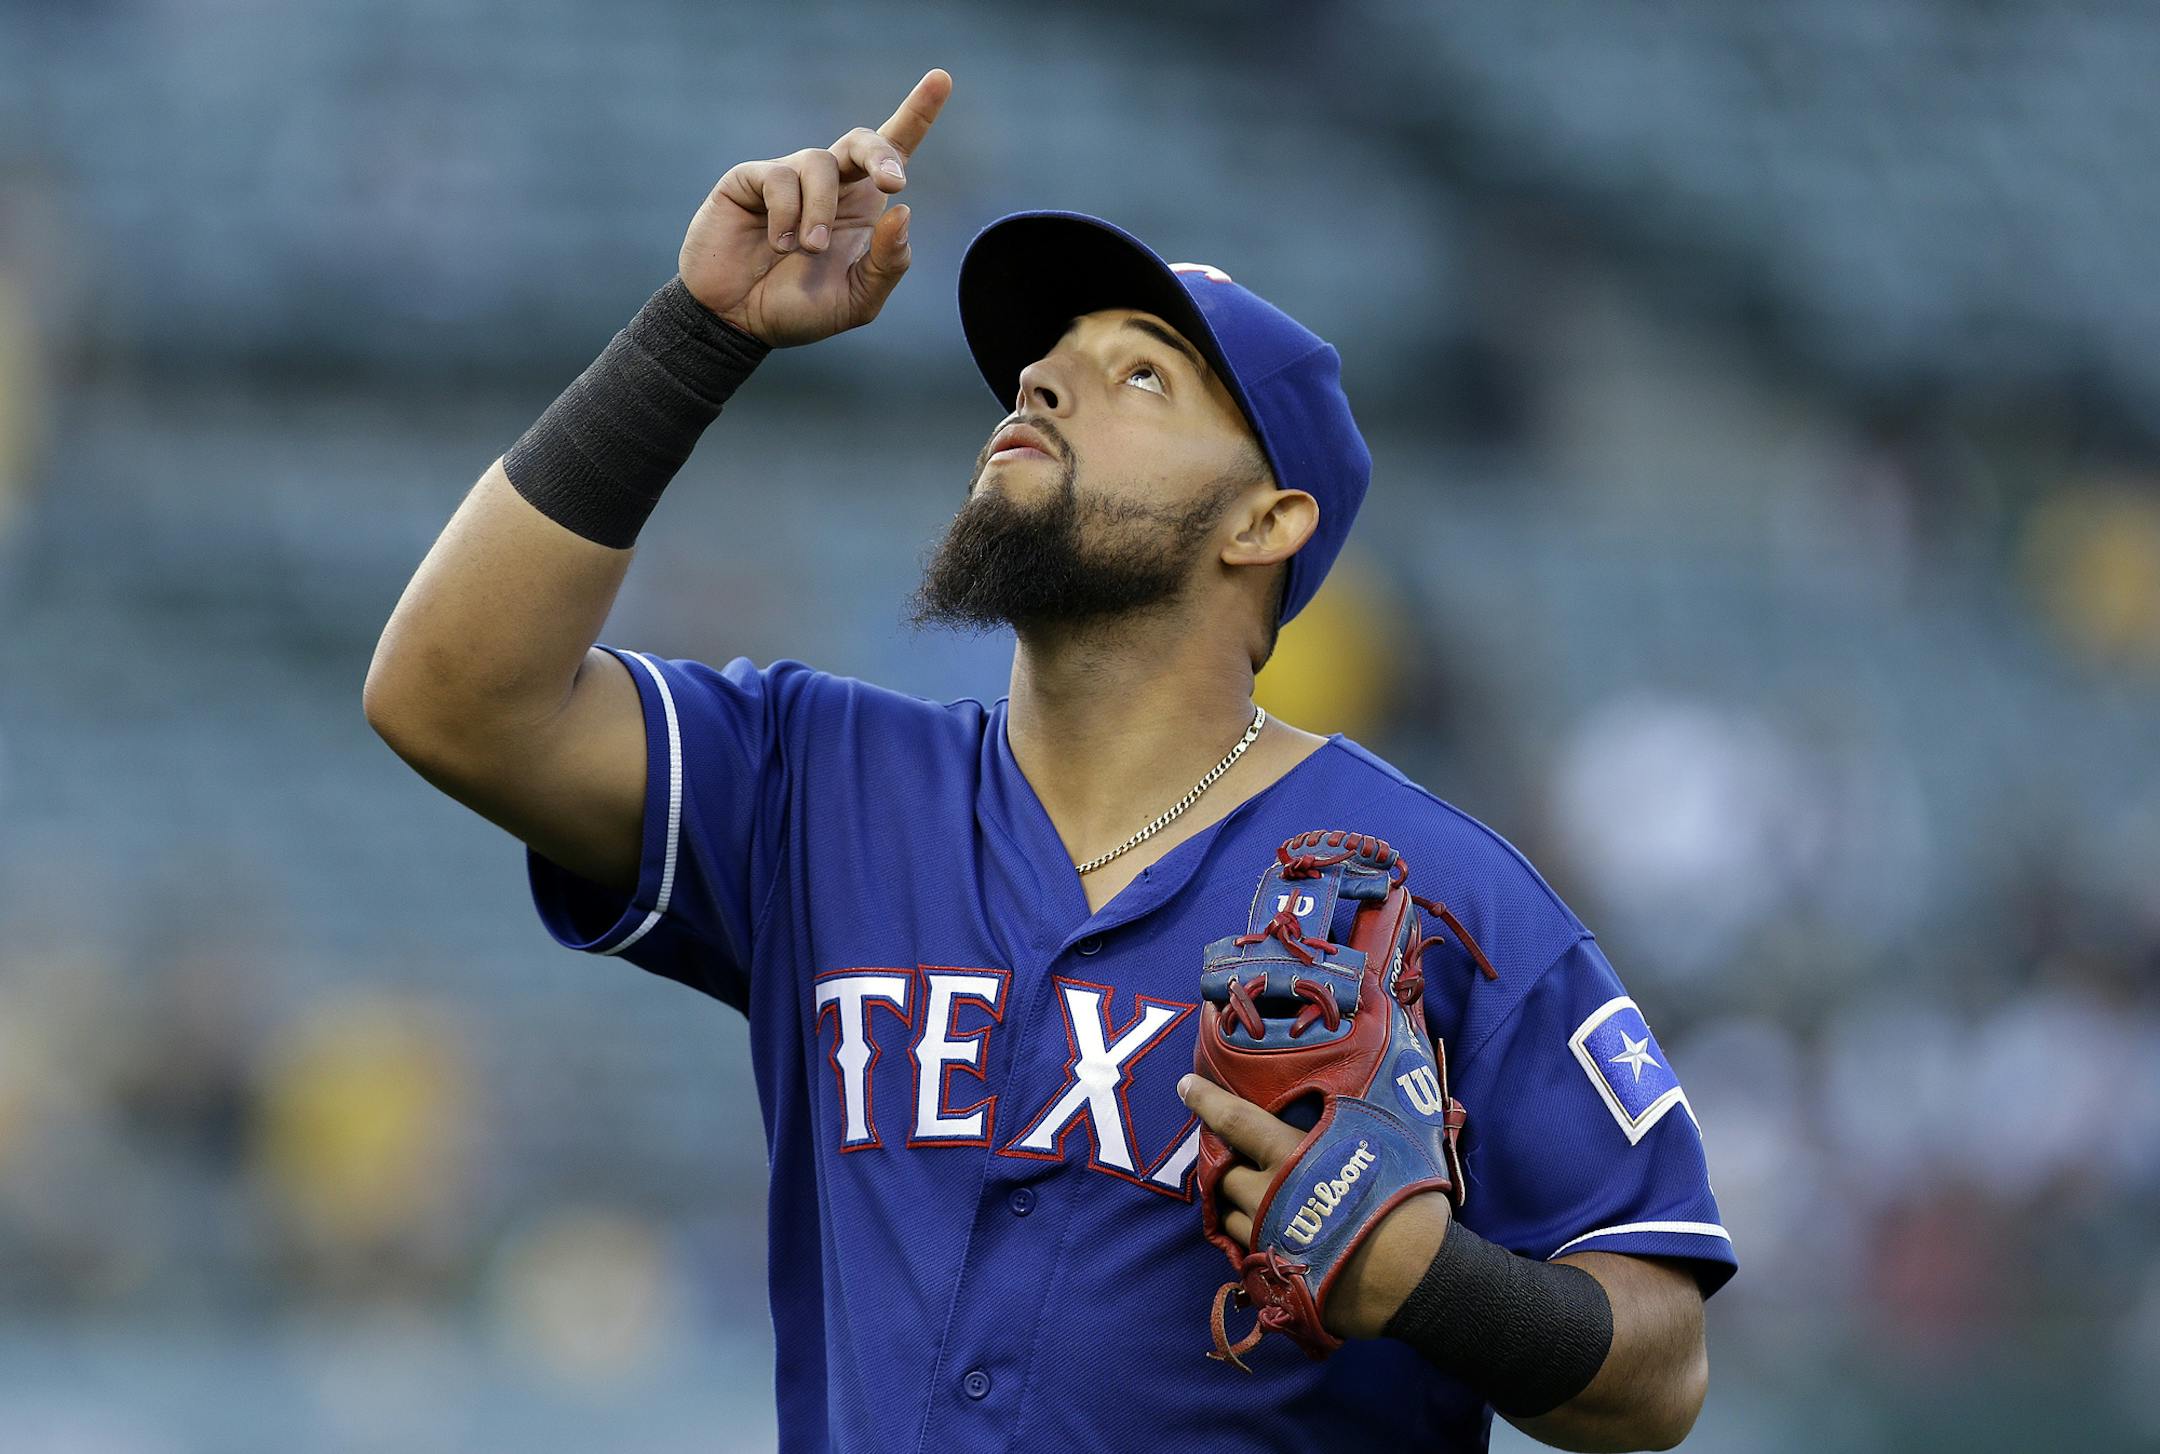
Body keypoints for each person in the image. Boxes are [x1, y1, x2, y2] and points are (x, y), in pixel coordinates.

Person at [365, 68, 1733, 1453]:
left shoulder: (1442, 891)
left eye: (1139, 370)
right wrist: (697, 335)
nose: (1042, 381)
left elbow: (1660, 1365)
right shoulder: (818, 780)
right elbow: (451, 698)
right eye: (1043, 364)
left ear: (1265, 522)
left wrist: (1437, 1281)